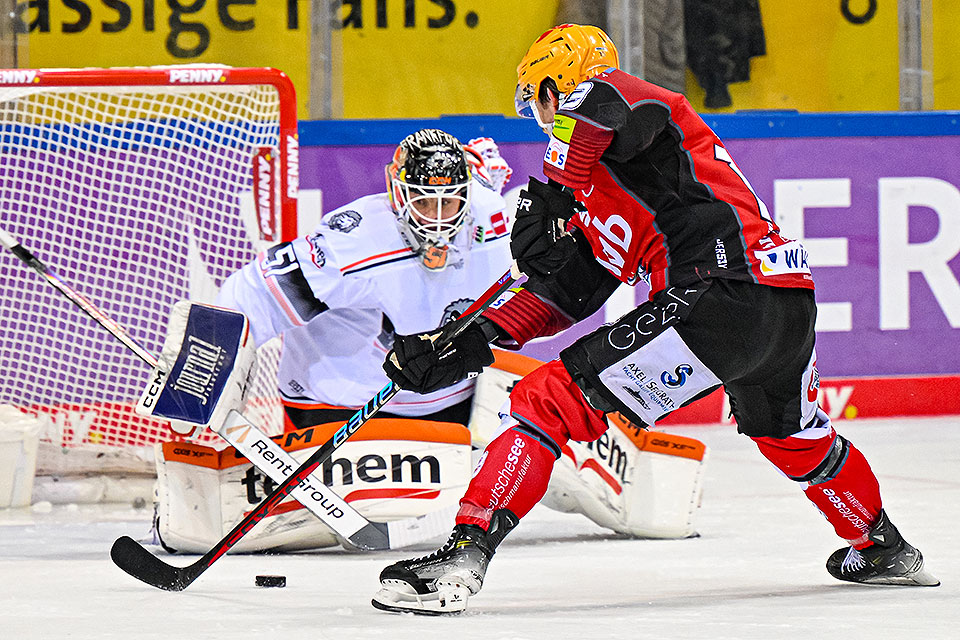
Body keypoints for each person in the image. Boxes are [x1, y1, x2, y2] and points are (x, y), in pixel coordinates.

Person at [373, 24, 938, 615]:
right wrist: (471, 340)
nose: (539, 120)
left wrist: (556, 191)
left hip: (718, 293)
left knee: (546, 401)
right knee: (792, 435)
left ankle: (460, 559)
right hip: (781, 303)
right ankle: (885, 548)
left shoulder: (630, 110)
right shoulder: (615, 183)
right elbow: (570, 293)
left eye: (539, 101)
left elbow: (605, 104)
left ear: (555, 87)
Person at [217, 128, 513, 432]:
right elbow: (254, 292)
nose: (436, 218)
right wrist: (210, 366)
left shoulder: (488, 212)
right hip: (340, 406)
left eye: (447, 202)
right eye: (423, 202)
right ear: (397, 192)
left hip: (451, 403)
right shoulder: (353, 241)